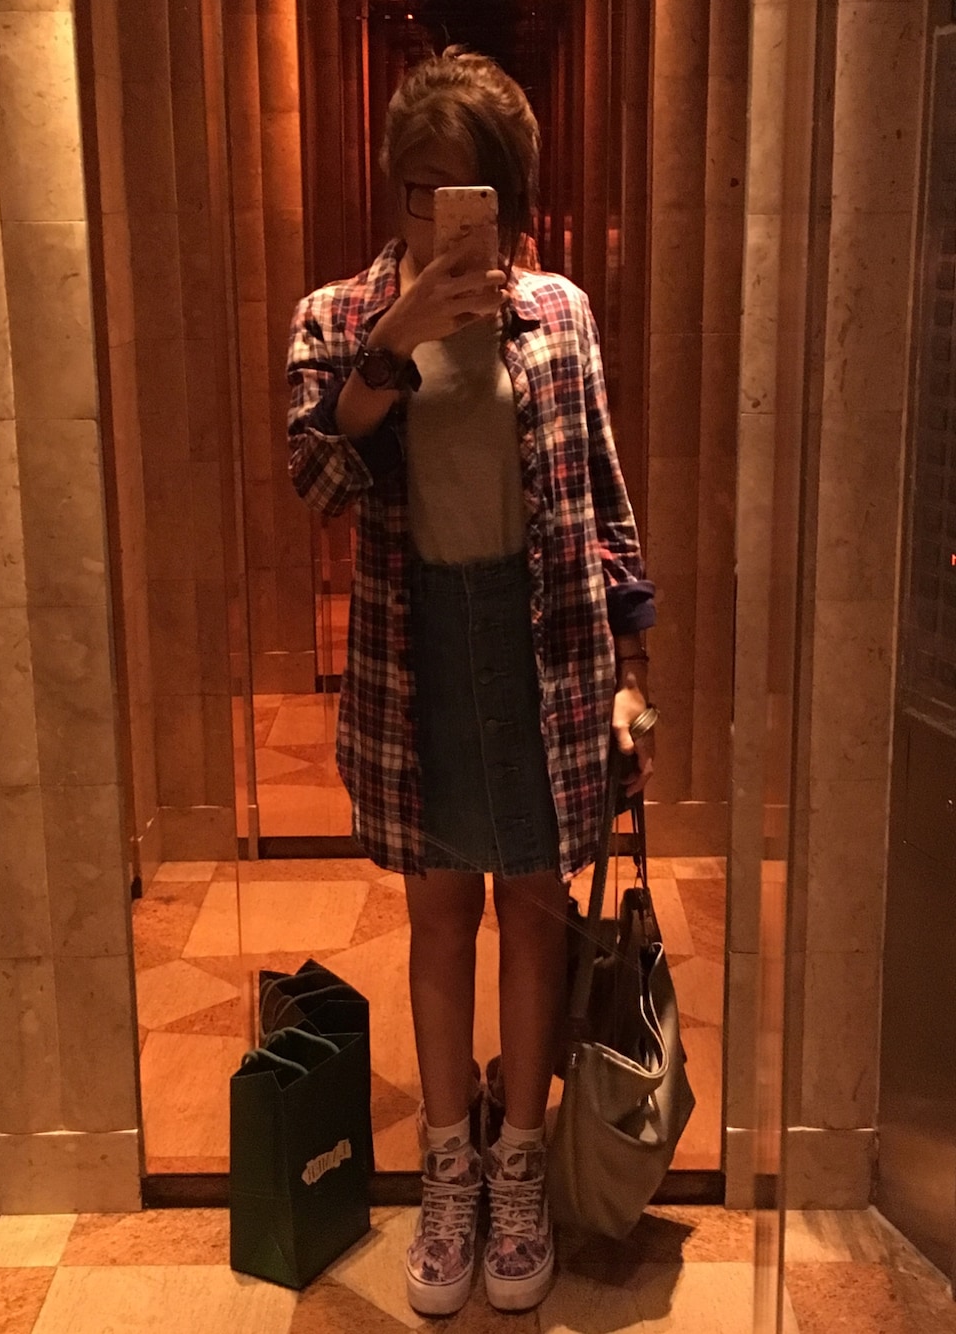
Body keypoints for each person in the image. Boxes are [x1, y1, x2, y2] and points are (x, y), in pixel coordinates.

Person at [285, 47, 657, 1316]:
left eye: (470, 193)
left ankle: (518, 1165)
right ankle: (448, 1170)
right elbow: (317, 481)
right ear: (394, 191)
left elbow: (603, 497)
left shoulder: (559, 313)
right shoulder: (339, 317)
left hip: (549, 644)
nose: (442, 216)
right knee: (439, 913)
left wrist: (635, 667)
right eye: (421, 189)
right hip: (419, 649)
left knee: (535, 911)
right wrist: (389, 348)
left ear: (510, 200)